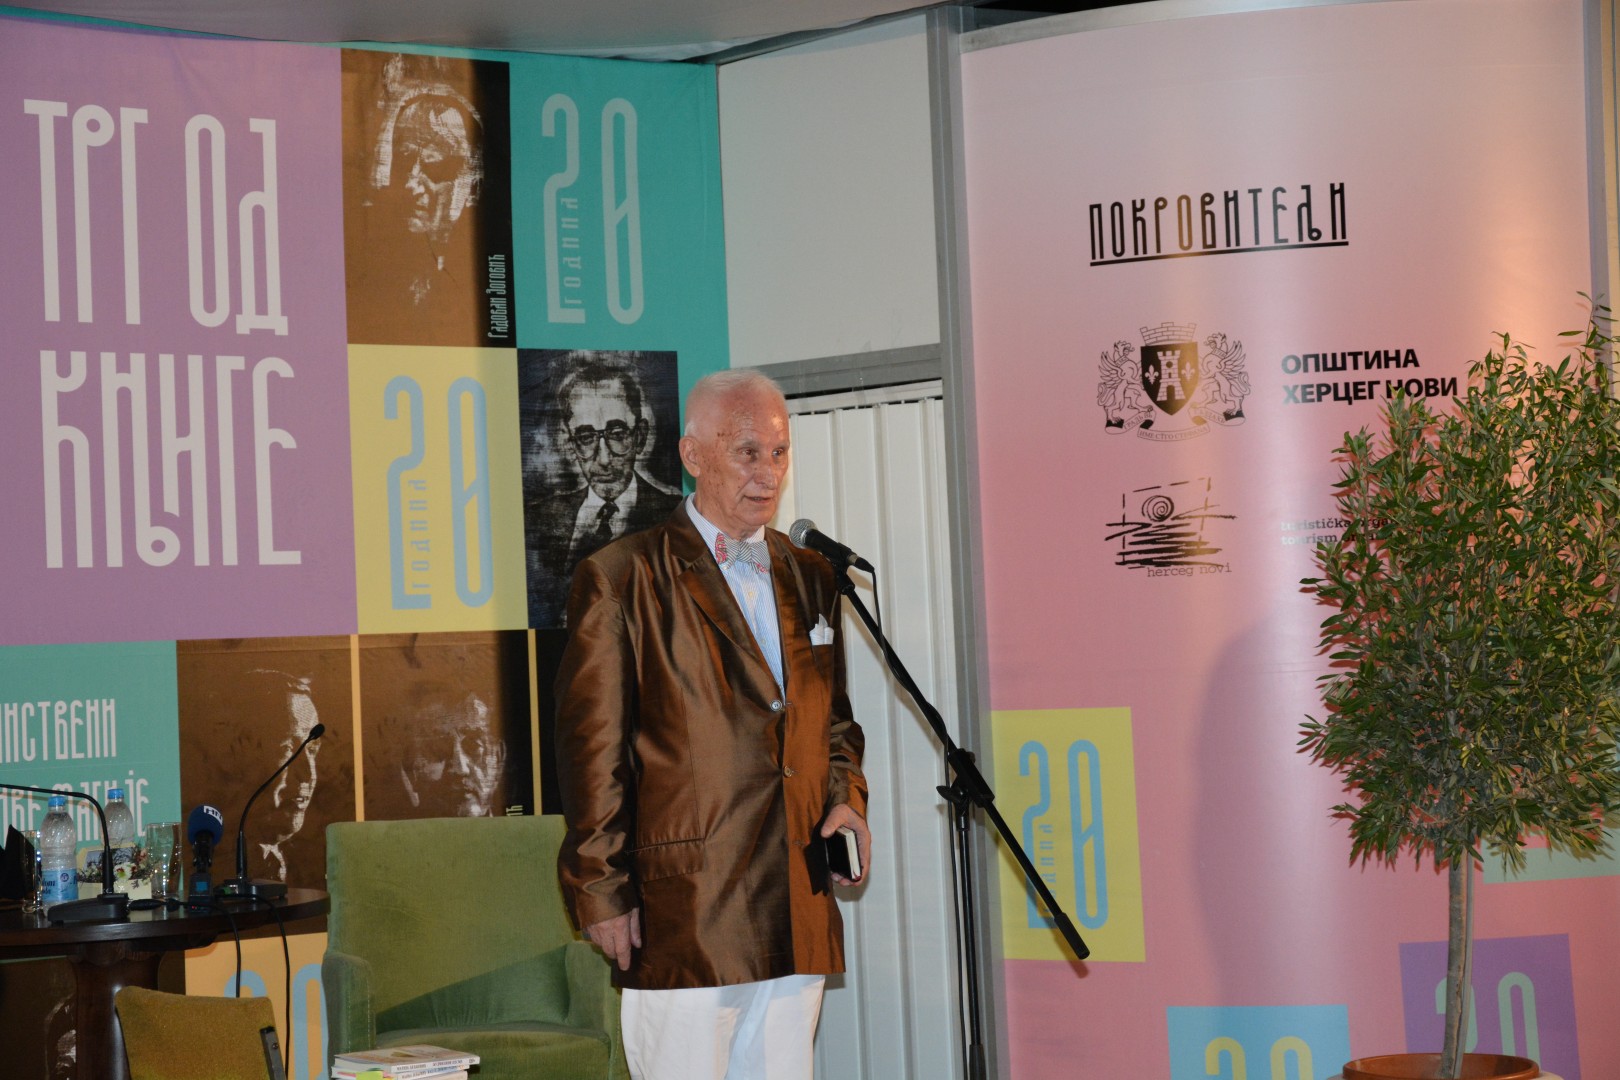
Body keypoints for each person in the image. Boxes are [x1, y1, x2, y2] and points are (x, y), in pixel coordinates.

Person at [554, 368, 871, 1080]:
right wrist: (601, 888)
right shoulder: (621, 576)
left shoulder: (812, 574)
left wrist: (847, 798)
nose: (768, 473)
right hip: (688, 911)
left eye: (779, 453)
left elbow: (834, 725)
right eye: (747, 451)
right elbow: (592, 754)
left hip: (797, 899)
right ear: (692, 456)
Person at [527, 354, 683, 626]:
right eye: (586, 437)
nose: (603, 458)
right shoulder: (538, 520)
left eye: (617, 434)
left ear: (640, 436)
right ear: (572, 444)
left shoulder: (677, 518)